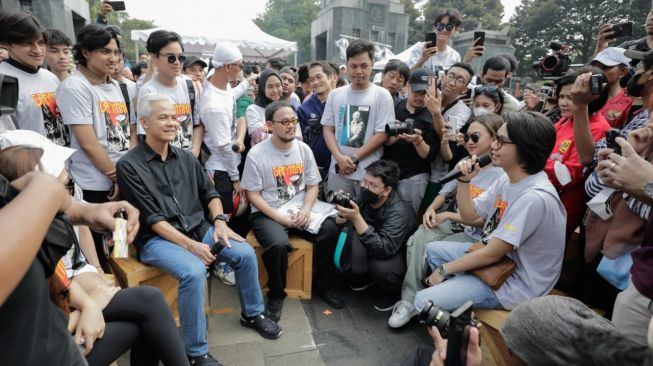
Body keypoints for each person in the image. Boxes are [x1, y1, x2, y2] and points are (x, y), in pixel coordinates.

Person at [117, 93, 282, 366]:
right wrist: (192, 247)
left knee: (243, 252)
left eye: (174, 117)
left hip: (199, 227)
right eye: (164, 117)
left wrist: (220, 222)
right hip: (158, 239)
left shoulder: (186, 157)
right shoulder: (128, 165)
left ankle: (252, 314)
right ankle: (196, 353)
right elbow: (154, 220)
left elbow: (211, 194)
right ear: (144, 123)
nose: (173, 123)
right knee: (194, 272)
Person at [0, 136, 191, 366]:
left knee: (147, 312)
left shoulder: (26, 227)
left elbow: (63, 280)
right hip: (48, 351)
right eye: (62, 189)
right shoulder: (23, 247)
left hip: (60, 330)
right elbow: (34, 328)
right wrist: (88, 308)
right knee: (148, 311)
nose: (68, 196)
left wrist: (83, 212)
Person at [411, 112, 565, 317]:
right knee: (432, 250)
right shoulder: (509, 179)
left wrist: (444, 270)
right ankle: (460, 303)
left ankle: (460, 334)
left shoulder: (534, 197)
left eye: (501, 140)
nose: (493, 145)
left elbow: (492, 253)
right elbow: (470, 217)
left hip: (515, 282)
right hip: (500, 262)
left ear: (525, 148)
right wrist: (464, 181)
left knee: (423, 301)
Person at [388, 115, 506, 328]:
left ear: (495, 139)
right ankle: (408, 300)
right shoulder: (466, 162)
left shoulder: (502, 175)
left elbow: (487, 221)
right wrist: (432, 209)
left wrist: (447, 215)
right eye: (467, 136)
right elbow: (446, 190)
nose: (469, 141)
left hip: (476, 235)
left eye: (476, 137)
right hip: (456, 224)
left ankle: (431, 299)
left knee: (430, 246)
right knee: (419, 237)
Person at [242, 101, 342, 320]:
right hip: (268, 211)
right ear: (269, 125)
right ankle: (277, 294)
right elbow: (253, 195)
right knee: (277, 244)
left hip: (300, 209)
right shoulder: (256, 154)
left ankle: (324, 285)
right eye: (284, 122)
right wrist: (281, 219)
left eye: (293, 121)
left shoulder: (303, 148)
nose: (290, 126)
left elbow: (313, 185)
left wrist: (306, 209)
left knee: (330, 230)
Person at [56, 24, 131, 269]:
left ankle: (123, 286)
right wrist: (115, 175)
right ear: (86, 52)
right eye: (105, 52)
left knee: (120, 246)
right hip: (94, 185)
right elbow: (88, 142)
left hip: (119, 180)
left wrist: (124, 176)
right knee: (99, 249)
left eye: (116, 52)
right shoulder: (75, 87)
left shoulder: (115, 85)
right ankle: (108, 291)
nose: (113, 58)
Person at [335, 159, 417, 311]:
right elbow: (344, 226)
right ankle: (365, 278)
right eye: (364, 182)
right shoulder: (364, 197)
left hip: (394, 254)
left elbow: (384, 248)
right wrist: (342, 214)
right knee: (346, 238)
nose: (365, 187)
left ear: (387, 190)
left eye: (373, 185)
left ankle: (391, 292)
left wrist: (357, 218)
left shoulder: (399, 212)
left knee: (383, 270)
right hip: (372, 242)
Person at [201, 42, 251, 286]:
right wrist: (235, 178)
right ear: (229, 67)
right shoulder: (213, 104)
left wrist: (247, 84)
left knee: (227, 216)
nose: (241, 69)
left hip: (226, 164)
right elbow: (223, 146)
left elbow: (231, 94)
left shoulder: (220, 86)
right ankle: (219, 263)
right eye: (240, 66)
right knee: (222, 218)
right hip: (221, 169)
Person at [322, 39, 395, 197]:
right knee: (336, 215)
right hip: (338, 170)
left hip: (369, 174)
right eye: (353, 66)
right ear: (347, 65)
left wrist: (354, 158)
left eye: (364, 66)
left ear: (372, 64)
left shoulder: (382, 95)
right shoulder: (335, 95)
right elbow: (328, 128)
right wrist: (339, 157)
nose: (358, 71)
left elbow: (382, 133)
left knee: (364, 217)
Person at [545, 68, 611, 237]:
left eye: (571, 98)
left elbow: (568, 177)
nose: (563, 103)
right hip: (544, 196)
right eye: (561, 97)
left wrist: (530, 160)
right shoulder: (564, 120)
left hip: (563, 207)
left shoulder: (597, 128)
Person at [0, 10, 68, 146]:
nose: (37, 50)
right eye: (27, 43)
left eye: (41, 42)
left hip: (65, 161)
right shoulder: (3, 80)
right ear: (5, 43)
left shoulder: (50, 77)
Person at [382, 68, 440, 215]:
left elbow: (429, 156)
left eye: (424, 93)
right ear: (407, 86)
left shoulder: (432, 116)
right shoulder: (395, 107)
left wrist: (418, 140)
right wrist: (395, 134)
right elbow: (384, 142)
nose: (419, 97)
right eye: (416, 92)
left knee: (405, 217)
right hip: (388, 172)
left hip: (414, 175)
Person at [136, 30, 203, 156]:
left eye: (181, 58)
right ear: (155, 57)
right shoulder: (148, 91)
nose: (177, 62)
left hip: (189, 159)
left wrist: (194, 151)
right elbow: (145, 135)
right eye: (171, 58)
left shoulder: (190, 85)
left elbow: (197, 123)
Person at [419, 63, 474, 214]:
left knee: (424, 213)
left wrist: (436, 112)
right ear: (443, 77)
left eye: (459, 80)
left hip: (436, 172)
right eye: (451, 76)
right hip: (415, 164)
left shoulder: (462, 111)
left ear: (465, 89)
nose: (452, 82)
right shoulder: (427, 94)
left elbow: (446, 137)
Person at [297, 61, 335, 181]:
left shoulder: (342, 101)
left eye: (319, 77)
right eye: (312, 79)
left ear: (331, 77)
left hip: (339, 165)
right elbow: (301, 141)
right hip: (314, 168)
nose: (315, 82)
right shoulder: (304, 108)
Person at [247, 69, 302, 146]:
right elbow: (259, 137)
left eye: (278, 85)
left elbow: (298, 139)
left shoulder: (289, 110)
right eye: (270, 87)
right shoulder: (253, 110)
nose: (275, 90)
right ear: (262, 88)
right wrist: (287, 138)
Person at [589, 48, 633, 128]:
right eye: (595, 67)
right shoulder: (585, 96)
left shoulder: (629, 101)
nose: (598, 71)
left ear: (622, 72)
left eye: (605, 67)